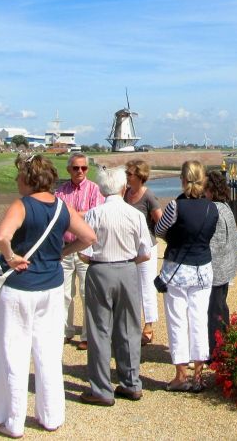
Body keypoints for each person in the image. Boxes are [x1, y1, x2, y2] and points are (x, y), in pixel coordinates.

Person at [0, 153, 96, 438]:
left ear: (28, 178)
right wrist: (63, 252)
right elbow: (89, 237)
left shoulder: (22, 205)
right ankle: (51, 416)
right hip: (51, 286)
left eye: (19, 176)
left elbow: (1, 236)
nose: (16, 181)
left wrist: (10, 257)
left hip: (20, 287)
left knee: (14, 354)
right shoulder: (62, 206)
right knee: (49, 353)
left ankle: (13, 421)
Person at [79, 167, 153, 406]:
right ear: (123, 187)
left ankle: (101, 388)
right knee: (129, 327)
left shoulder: (94, 214)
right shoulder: (135, 214)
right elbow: (146, 252)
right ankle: (131, 382)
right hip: (128, 268)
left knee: (99, 329)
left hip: (100, 269)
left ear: (102, 189)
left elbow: (84, 252)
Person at [152, 160, 218, 392]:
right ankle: (198, 376)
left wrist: (175, 238)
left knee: (177, 321)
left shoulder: (175, 206)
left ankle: (181, 375)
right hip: (202, 269)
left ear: (183, 179)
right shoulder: (212, 208)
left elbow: (159, 229)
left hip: (177, 270)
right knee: (199, 321)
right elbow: (209, 234)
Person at [54, 153, 104, 350]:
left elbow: (97, 214)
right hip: (65, 248)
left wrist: (71, 215)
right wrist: (79, 215)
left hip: (86, 249)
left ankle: (87, 334)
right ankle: (64, 331)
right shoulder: (61, 191)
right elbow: (57, 214)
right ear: (69, 170)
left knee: (87, 293)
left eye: (83, 168)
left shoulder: (94, 189)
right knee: (63, 294)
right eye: (76, 168)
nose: (80, 171)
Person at [123, 159, 162, 346]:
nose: (127, 176)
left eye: (129, 174)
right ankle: (132, 324)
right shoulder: (125, 193)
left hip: (146, 247)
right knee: (131, 286)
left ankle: (149, 325)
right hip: (128, 247)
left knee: (147, 285)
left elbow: (160, 221)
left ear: (140, 176)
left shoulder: (148, 196)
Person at [204, 170, 237, 358]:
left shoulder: (214, 210)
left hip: (217, 268)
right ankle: (223, 346)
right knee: (220, 307)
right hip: (227, 266)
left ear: (211, 190)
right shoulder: (225, 207)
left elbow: (215, 243)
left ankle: (216, 351)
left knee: (215, 311)